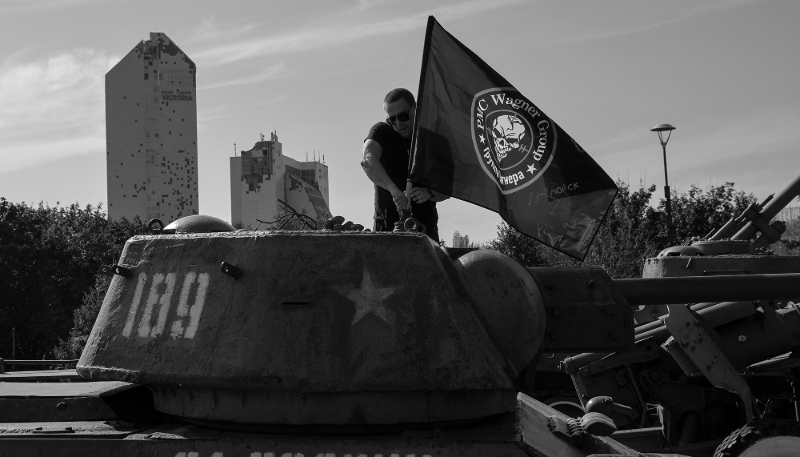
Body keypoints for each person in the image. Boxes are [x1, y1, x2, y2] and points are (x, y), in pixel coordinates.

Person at [361, 88, 447, 242]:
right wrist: (394, 190)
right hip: (385, 236)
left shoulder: (434, 141)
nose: (398, 123)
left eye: (403, 116)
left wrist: (429, 193)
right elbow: (368, 160)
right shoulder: (382, 131)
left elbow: (448, 188)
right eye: (392, 120)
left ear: (415, 109)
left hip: (425, 237)